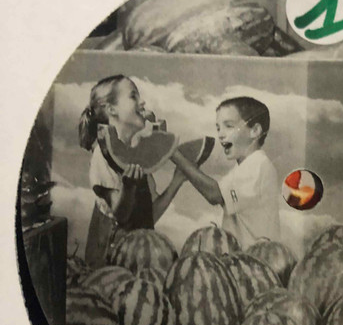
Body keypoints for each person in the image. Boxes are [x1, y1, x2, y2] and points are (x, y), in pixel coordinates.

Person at [79, 74, 186, 267]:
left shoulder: (138, 154)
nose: (142, 102)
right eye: (133, 96)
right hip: (109, 264)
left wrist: (176, 182)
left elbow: (149, 216)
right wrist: (128, 188)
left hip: (138, 256)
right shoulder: (102, 156)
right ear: (112, 109)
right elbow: (121, 216)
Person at [171, 96, 281, 249]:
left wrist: (173, 153)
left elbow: (215, 194)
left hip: (253, 258)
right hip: (243, 256)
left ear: (255, 131)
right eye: (218, 128)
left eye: (229, 126)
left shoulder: (257, 165)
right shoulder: (243, 167)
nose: (221, 134)